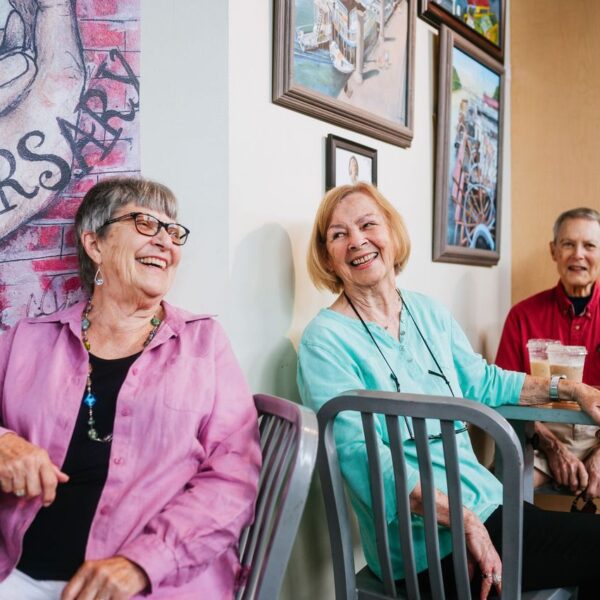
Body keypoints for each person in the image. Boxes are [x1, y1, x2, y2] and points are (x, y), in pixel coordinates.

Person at [297, 182, 600, 599]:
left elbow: (486, 381)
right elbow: (363, 461)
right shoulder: (324, 341)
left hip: (493, 507)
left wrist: (569, 389)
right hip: (424, 547)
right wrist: (463, 519)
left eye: (369, 224)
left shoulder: (428, 312)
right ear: (327, 257)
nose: (357, 241)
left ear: (391, 233)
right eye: (338, 234)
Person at [0, 177, 261, 599]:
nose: (165, 241)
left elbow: (234, 478)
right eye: (145, 223)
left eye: (173, 232)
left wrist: (143, 563)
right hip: (16, 570)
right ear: (95, 244)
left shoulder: (204, 344)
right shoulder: (27, 339)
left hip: (152, 584)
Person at [496, 208, 600, 498]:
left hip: (598, 434)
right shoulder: (522, 315)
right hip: (541, 433)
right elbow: (503, 395)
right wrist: (553, 448)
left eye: (589, 245)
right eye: (568, 244)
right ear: (554, 251)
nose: (578, 254)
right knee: (503, 493)